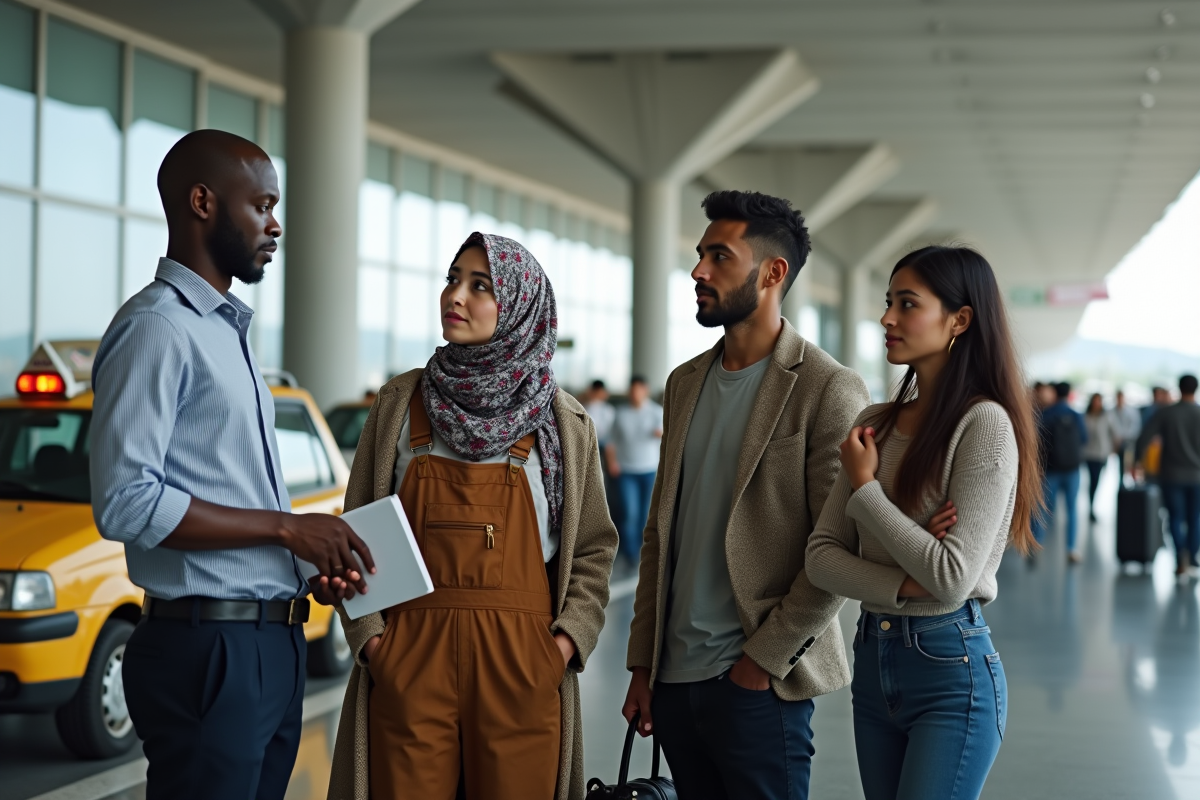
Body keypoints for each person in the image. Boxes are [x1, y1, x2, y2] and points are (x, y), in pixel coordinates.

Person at [89, 130, 372, 800]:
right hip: (208, 652)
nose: (275, 225)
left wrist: (299, 564)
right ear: (202, 202)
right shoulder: (157, 328)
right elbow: (125, 500)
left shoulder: (225, 332)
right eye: (262, 205)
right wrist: (285, 530)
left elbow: (230, 490)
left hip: (269, 640)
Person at [323, 233, 618, 800]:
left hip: (523, 666)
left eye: (480, 286)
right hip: (409, 659)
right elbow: (354, 531)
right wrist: (374, 645)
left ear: (521, 306)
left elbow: (593, 549)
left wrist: (561, 648)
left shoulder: (562, 422)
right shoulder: (398, 404)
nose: (455, 296)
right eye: (452, 279)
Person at [622, 190, 870, 800]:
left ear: (772, 272)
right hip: (672, 683)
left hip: (758, 687)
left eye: (719, 257)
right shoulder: (684, 383)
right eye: (700, 255)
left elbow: (838, 547)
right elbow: (660, 533)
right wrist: (642, 664)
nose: (698, 271)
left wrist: (761, 663)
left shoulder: (826, 388)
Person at [805, 244, 1040, 800]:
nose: (887, 318)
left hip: (949, 668)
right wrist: (910, 577)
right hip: (872, 661)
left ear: (959, 320)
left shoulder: (984, 425)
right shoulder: (874, 423)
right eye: (888, 302)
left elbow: (952, 578)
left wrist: (867, 490)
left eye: (907, 304)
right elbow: (821, 557)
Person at [1136, 375, 1200, 578]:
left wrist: (1137, 461)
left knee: (1175, 516)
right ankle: (1192, 556)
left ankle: (1180, 555)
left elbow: (1144, 436)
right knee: (1195, 517)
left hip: (1172, 475)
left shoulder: (1166, 413)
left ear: (1179, 389)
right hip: (1197, 476)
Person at [606, 375, 664, 567]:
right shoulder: (620, 413)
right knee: (629, 512)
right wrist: (612, 463)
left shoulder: (656, 412)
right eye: (632, 390)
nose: (635, 393)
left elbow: (668, 435)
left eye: (638, 389)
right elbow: (611, 441)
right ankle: (630, 553)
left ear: (645, 390)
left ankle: (644, 550)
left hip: (649, 469)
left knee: (646, 513)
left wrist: (660, 433)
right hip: (626, 470)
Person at [1035, 381, 1088, 562]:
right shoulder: (1076, 415)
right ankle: (1071, 549)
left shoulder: (1047, 413)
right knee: (1072, 509)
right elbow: (1083, 438)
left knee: (1043, 508)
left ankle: (1037, 544)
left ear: (1055, 394)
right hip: (1072, 469)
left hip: (1051, 469)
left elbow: (1039, 441)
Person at [1082, 392, 1117, 521]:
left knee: (1096, 480)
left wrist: (1113, 448)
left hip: (1101, 454)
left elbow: (1114, 432)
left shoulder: (1107, 416)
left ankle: (1093, 504)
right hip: (1088, 453)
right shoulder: (1086, 416)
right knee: (1092, 479)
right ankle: (1091, 505)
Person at [1112, 389, 1142, 483]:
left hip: (1129, 442)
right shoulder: (1112, 411)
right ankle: (1122, 483)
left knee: (1130, 464)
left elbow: (1135, 427)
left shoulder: (1131, 411)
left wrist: (1123, 436)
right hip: (1118, 443)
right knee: (1121, 465)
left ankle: (1132, 482)